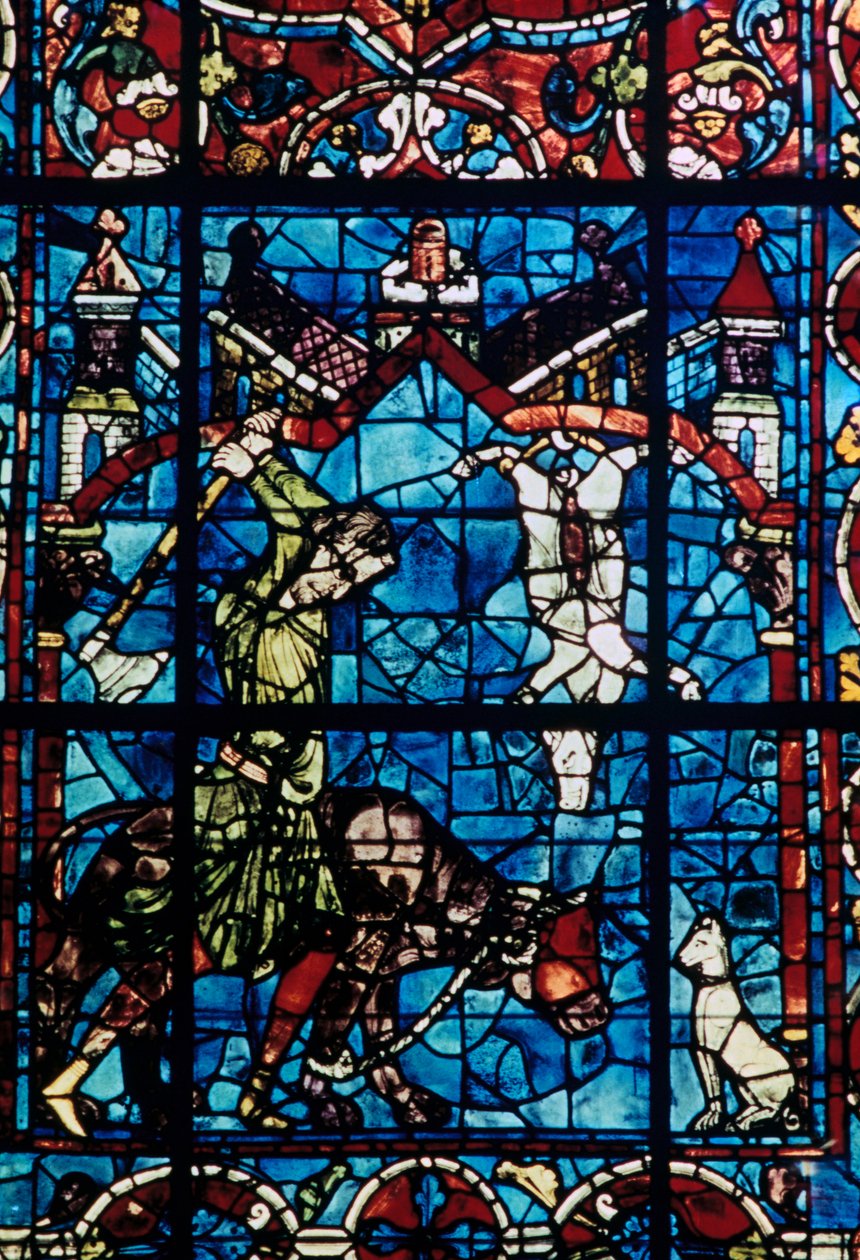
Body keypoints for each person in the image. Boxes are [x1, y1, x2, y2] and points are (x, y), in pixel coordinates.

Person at [453, 430, 699, 809]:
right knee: (604, 480)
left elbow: (567, 656)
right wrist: (680, 677)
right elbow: (612, 654)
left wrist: (481, 457)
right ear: (590, 744)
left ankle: (572, 798)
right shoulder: (608, 692)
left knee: (536, 502)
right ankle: (574, 799)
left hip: (553, 593)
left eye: (563, 760)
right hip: (596, 585)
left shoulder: (583, 691)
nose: (566, 752)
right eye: (575, 762)